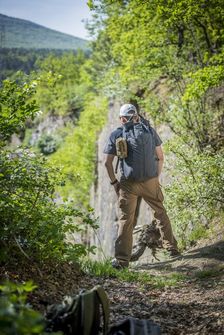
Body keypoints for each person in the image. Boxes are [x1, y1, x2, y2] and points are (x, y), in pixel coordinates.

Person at [103, 103, 180, 269]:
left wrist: (114, 182)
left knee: (126, 219)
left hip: (128, 184)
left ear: (122, 118)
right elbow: (160, 157)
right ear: (136, 116)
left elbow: (107, 163)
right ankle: (171, 248)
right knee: (159, 211)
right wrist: (155, 178)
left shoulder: (116, 134)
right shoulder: (149, 131)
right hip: (150, 181)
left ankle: (122, 260)